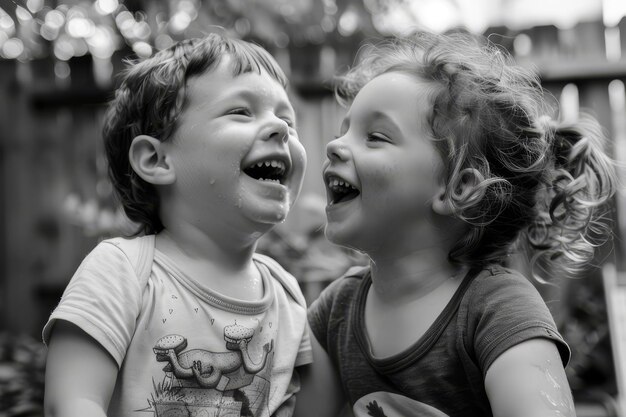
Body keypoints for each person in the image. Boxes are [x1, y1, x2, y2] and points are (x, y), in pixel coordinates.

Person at [297, 30, 617, 417]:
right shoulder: (339, 309)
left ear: (457, 188)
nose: (335, 146)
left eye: (375, 137)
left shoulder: (496, 311)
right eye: (342, 131)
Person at [43, 33, 311, 417]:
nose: (281, 129)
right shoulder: (123, 272)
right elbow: (72, 402)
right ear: (156, 160)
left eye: (287, 119)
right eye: (241, 111)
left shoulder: (287, 296)